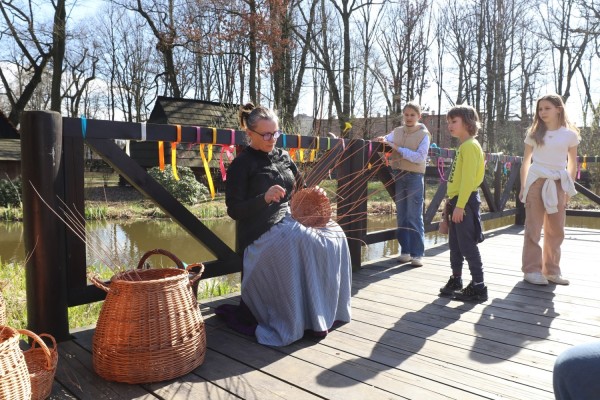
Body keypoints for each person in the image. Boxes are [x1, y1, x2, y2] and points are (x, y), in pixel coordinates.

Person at [215, 103, 352, 346]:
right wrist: (263, 198)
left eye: (275, 133)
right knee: (297, 239)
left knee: (334, 232)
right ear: (250, 134)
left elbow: (301, 187)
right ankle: (297, 317)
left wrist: (314, 191)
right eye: (266, 134)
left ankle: (322, 311)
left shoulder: (283, 156)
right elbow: (234, 210)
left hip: (289, 217)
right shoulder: (242, 164)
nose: (272, 139)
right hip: (259, 230)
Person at [519, 94, 579, 286]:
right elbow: (526, 162)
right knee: (533, 228)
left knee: (556, 230)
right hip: (536, 182)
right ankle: (532, 270)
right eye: (540, 109)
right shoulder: (534, 133)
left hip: (558, 184)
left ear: (558, 109)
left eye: (547, 108)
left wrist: (568, 189)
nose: (542, 112)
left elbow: (572, 164)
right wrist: (523, 187)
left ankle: (552, 271)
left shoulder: (569, 135)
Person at [438, 105, 487, 302]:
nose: (450, 125)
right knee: (455, 245)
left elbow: (468, 180)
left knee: (467, 246)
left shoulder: (470, 146)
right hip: (457, 201)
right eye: (448, 122)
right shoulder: (463, 146)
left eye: (454, 121)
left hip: (465, 203)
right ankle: (456, 279)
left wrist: (460, 206)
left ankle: (479, 286)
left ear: (468, 123)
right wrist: (450, 203)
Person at [376, 102, 431, 267]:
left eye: (412, 115)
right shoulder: (398, 131)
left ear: (418, 116)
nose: (408, 118)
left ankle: (417, 253)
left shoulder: (424, 135)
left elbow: (419, 158)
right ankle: (405, 251)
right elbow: (387, 140)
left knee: (414, 216)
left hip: (415, 177)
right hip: (399, 175)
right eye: (406, 115)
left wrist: (397, 148)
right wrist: (382, 140)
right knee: (402, 215)